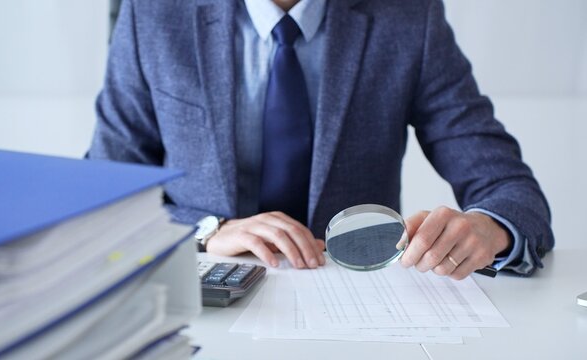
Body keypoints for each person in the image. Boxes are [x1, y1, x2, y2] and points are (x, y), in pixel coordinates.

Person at [87, 0, 554, 279]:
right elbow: (99, 197)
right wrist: (208, 231)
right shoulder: (153, 14)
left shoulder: (410, 18)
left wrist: (489, 228)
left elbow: (510, 189)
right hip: (202, 297)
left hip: (356, 304)